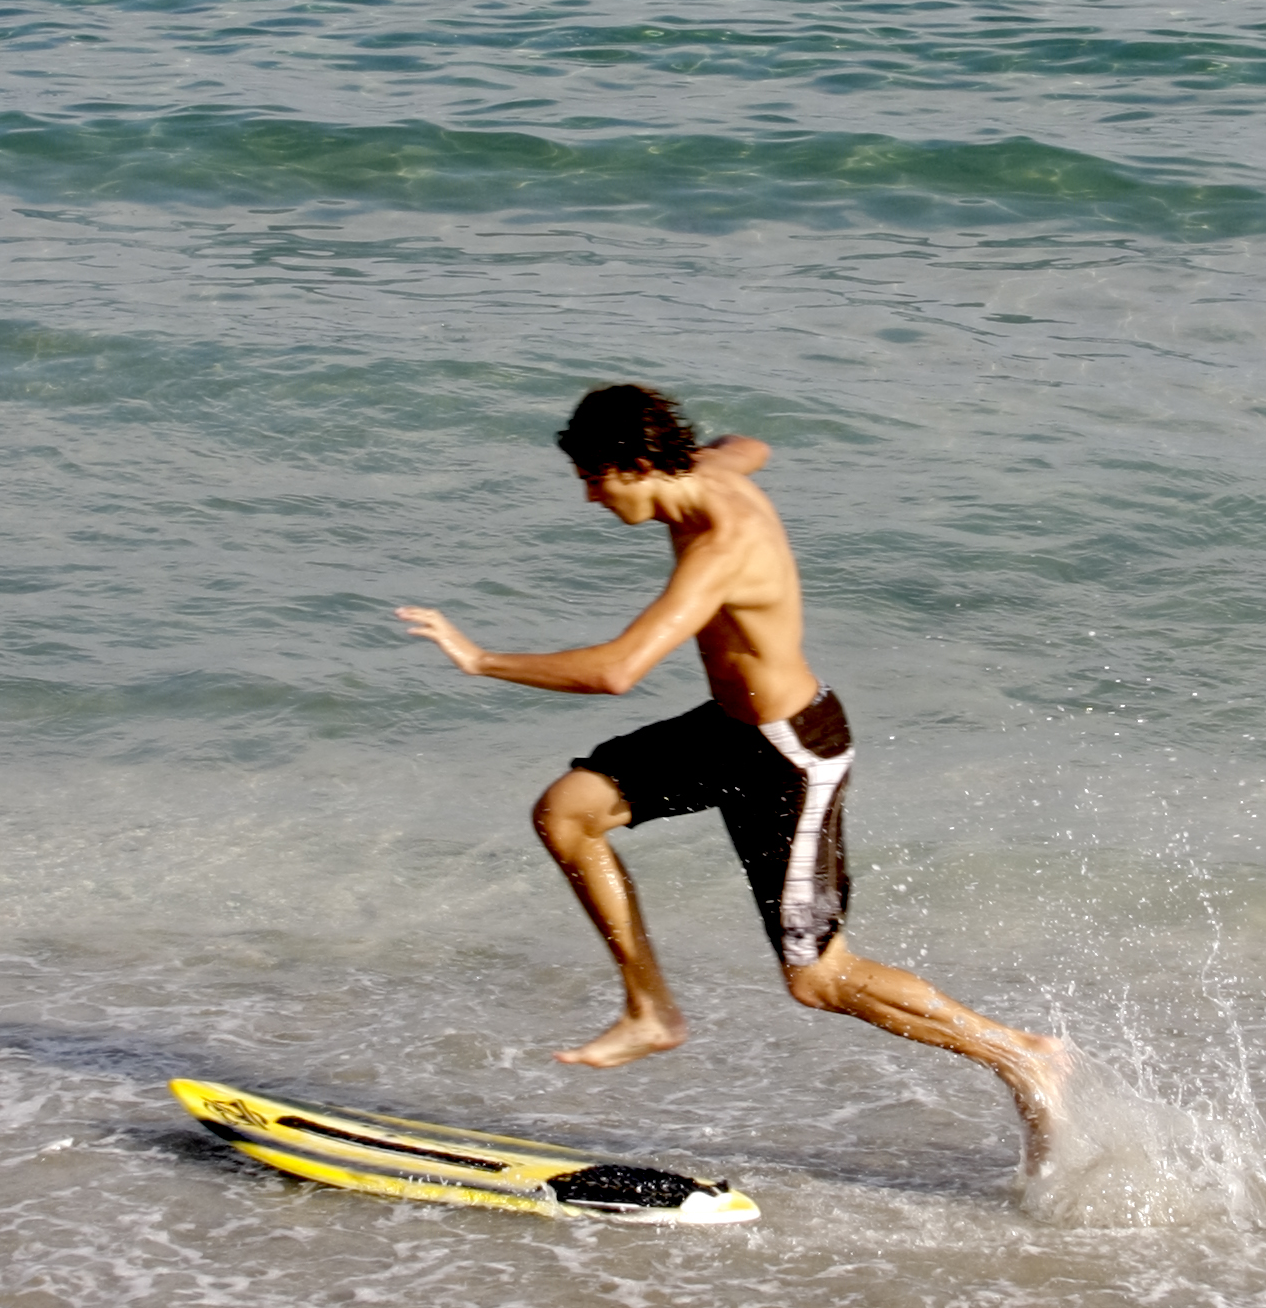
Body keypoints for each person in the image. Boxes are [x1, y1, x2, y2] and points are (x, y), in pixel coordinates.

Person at [397, 382, 1070, 1163]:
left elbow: (617, 670)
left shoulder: (721, 542)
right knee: (567, 813)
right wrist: (714, 444)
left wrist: (479, 659)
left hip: (792, 752)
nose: (588, 497)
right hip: (728, 731)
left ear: (641, 462)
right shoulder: (706, 474)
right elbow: (750, 447)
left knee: (820, 978)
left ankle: (1021, 1054)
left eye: (594, 477)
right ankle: (651, 1012)